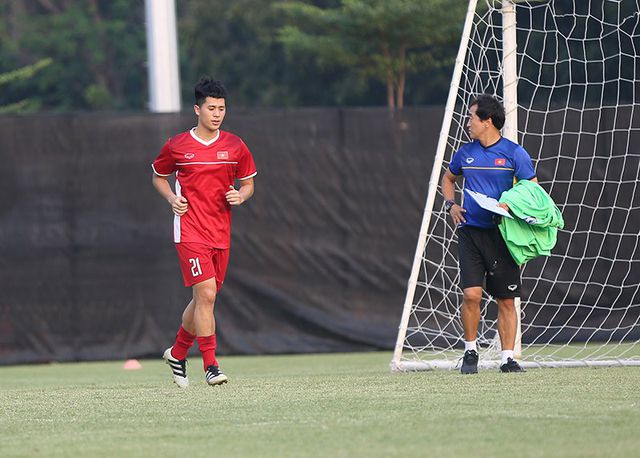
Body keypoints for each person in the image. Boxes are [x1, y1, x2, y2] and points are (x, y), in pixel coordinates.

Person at [151, 77, 257, 387]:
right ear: (198, 109)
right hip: (190, 231)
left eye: (222, 109)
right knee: (206, 295)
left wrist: (241, 195)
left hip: (220, 233)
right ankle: (210, 365)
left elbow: (248, 183)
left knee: (203, 301)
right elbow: (158, 176)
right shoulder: (178, 145)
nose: (217, 114)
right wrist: (172, 198)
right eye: (211, 108)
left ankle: (178, 352)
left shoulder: (235, 146)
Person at [441, 94, 537, 374]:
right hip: (470, 234)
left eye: (472, 117)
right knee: (471, 295)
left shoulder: (513, 153)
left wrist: (511, 203)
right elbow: (449, 179)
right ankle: (470, 352)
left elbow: (533, 189)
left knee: (506, 300)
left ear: (488, 121)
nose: (468, 122)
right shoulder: (464, 152)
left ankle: (508, 358)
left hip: (503, 236)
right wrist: (451, 205)